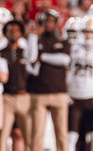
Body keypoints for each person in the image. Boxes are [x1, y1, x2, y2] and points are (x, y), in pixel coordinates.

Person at [25, 9, 70, 151]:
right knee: (36, 134)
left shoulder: (62, 39)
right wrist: (32, 37)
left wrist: (43, 57)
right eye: (45, 20)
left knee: (62, 134)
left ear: (57, 23)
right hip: (39, 93)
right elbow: (31, 59)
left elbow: (65, 60)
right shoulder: (35, 39)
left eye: (51, 20)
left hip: (59, 93)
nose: (48, 23)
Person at [67, 15, 93, 151]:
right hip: (74, 98)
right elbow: (67, 71)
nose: (89, 35)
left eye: (92, 32)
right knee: (71, 136)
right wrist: (65, 92)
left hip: (92, 98)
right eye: (86, 31)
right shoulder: (73, 48)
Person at [0, 20, 31, 151]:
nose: (13, 33)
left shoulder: (26, 52)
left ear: (21, 33)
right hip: (7, 97)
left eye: (16, 30)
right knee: (3, 136)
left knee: (25, 135)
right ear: (5, 33)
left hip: (25, 96)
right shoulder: (0, 53)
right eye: (10, 31)